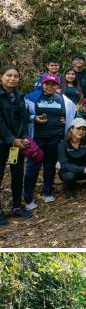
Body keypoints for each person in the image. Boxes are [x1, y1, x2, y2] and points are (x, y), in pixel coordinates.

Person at [24, 73, 76, 209]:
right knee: (32, 166)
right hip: (37, 139)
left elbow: (70, 114)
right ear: (42, 84)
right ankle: (28, 197)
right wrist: (33, 118)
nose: (49, 87)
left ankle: (47, 191)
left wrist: (65, 123)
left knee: (50, 165)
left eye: (53, 84)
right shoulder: (32, 98)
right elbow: (22, 115)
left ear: (57, 86)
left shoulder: (62, 100)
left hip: (55, 137)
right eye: (47, 84)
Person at [0, 65, 33, 223]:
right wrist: (11, 139)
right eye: (9, 75)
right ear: (1, 77)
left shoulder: (19, 96)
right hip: (3, 142)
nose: (12, 78)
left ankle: (17, 206)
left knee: (17, 174)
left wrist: (25, 137)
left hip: (17, 144)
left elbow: (23, 119)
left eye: (15, 76)